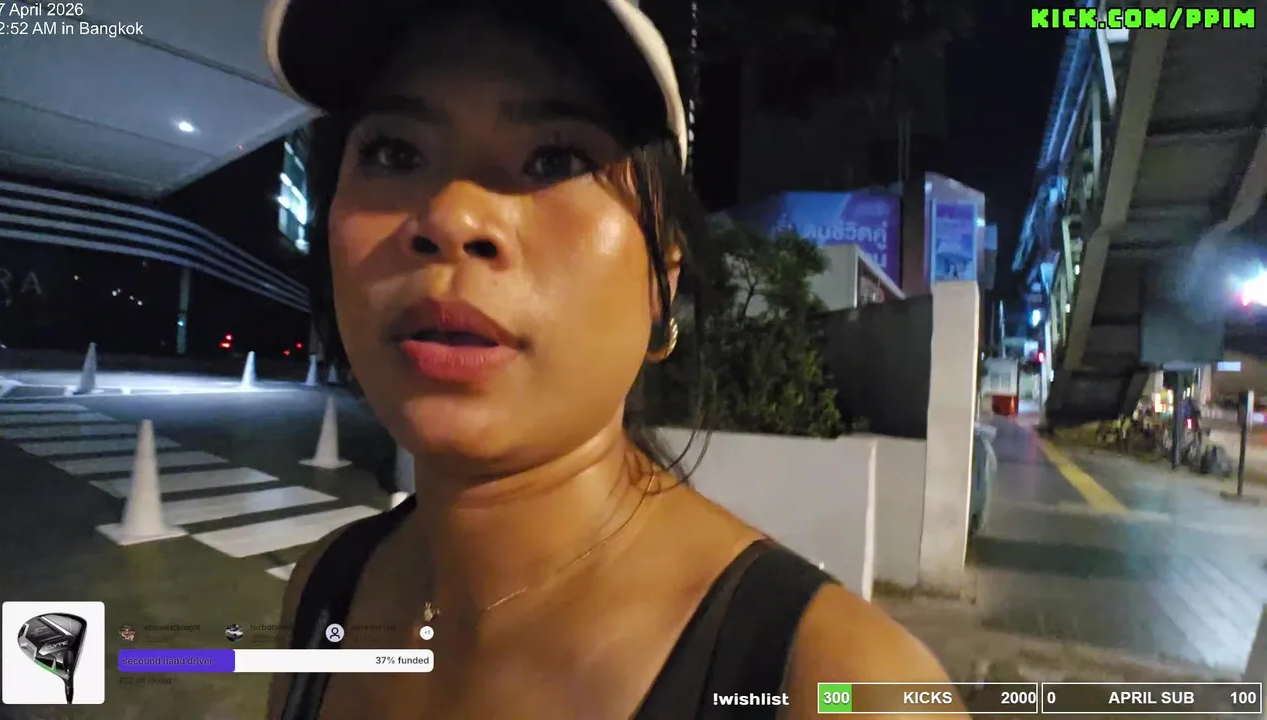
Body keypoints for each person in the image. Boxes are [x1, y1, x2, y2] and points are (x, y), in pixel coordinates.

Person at [261, 1, 964, 718]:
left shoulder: (844, 686)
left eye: (556, 159)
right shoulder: (323, 595)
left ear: (663, 280)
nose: (451, 218)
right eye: (394, 152)